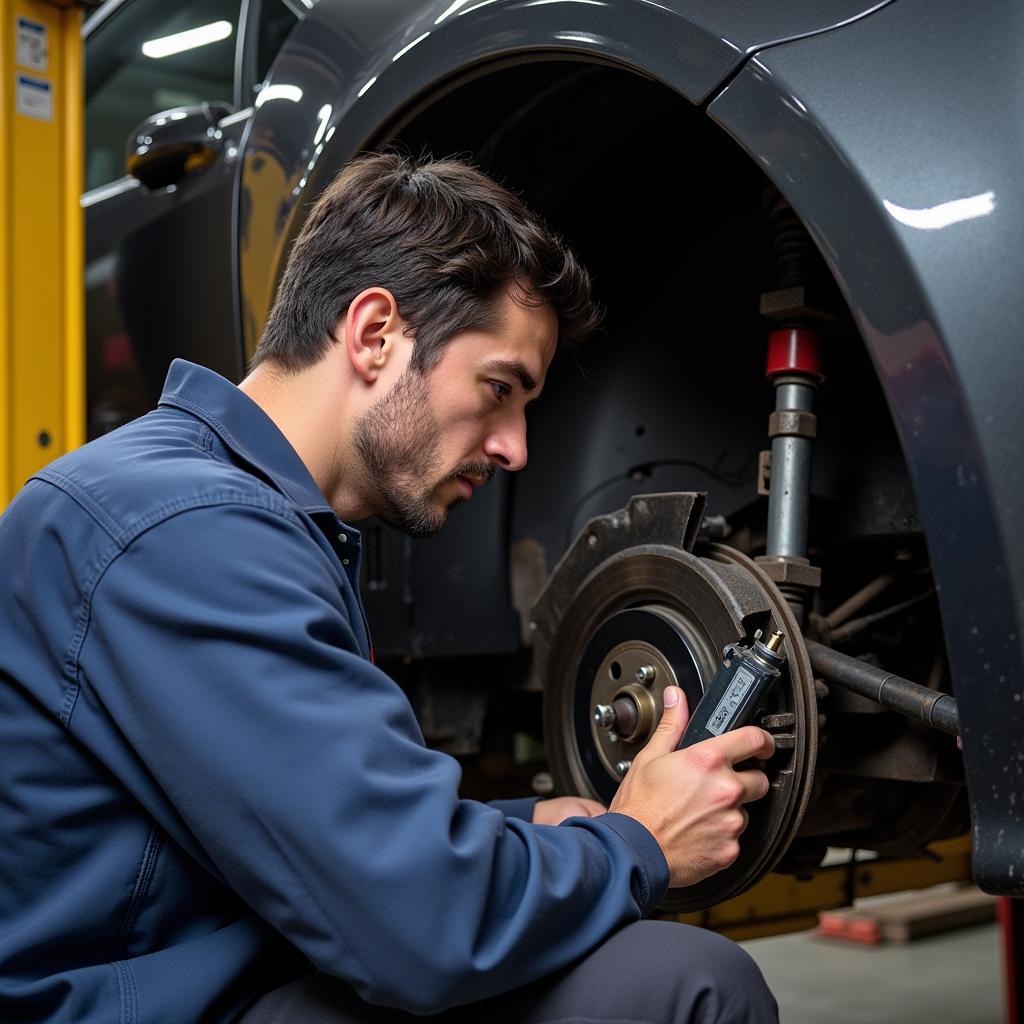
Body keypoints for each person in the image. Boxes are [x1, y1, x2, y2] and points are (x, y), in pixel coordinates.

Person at [0, 152, 778, 1023]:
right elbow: (422, 928)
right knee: (687, 987)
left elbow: (306, 826)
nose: (516, 446)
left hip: (221, 972)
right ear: (374, 334)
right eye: (499, 389)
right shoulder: (180, 528)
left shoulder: (223, 508)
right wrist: (635, 844)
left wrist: (528, 828)